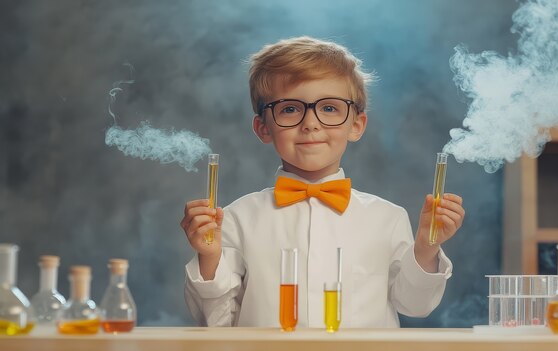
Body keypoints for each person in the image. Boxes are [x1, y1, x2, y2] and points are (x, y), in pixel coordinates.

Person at [180, 36, 465, 328]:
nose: (311, 123)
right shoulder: (236, 218)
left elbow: (415, 305)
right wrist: (209, 257)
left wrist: (426, 249)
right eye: (290, 108)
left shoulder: (388, 218)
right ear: (263, 128)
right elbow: (215, 321)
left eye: (329, 108)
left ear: (356, 125)